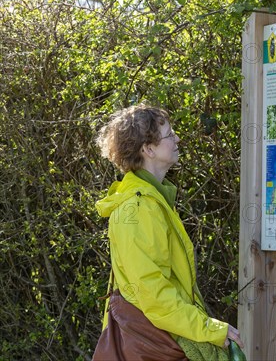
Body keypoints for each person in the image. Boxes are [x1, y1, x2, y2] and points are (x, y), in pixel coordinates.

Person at [94, 104, 243, 360]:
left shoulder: (153, 200)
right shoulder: (138, 208)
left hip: (161, 336)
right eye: (169, 134)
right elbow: (153, 294)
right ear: (148, 149)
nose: (177, 138)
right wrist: (210, 329)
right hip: (155, 342)